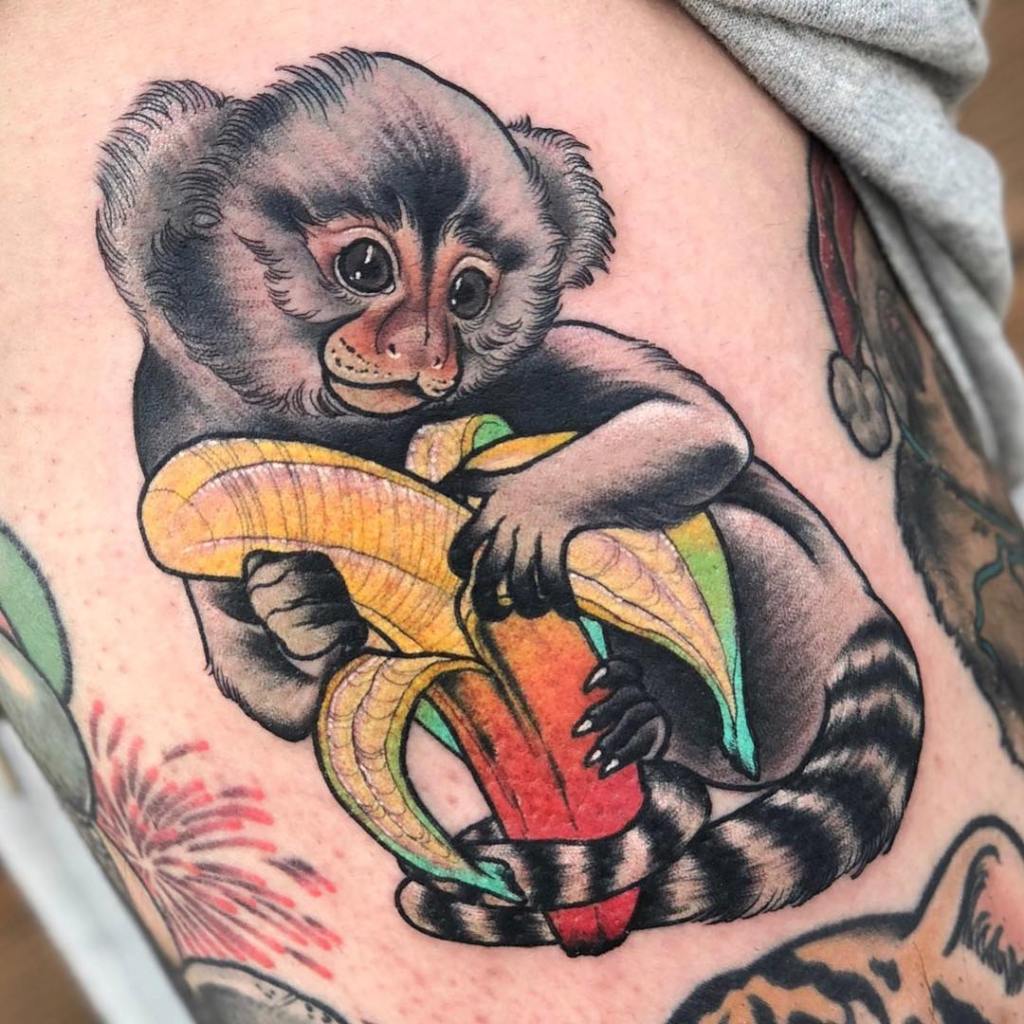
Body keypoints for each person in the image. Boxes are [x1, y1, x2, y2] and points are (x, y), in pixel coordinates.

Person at [1, 2, 1021, 1022]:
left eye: (470, 294)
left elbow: (704, 437)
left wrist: (554, 493)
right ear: (188, 202)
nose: (424, 350)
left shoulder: (530, 371)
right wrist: (304, 641)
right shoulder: (188, 423)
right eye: (364, 267)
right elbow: (263, 683)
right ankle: (652, 794)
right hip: (618, 731)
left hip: (806, 669)